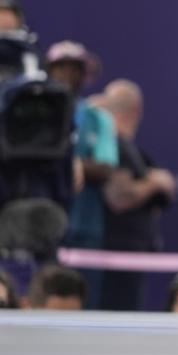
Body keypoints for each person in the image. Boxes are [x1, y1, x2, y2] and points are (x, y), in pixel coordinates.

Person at [49, 40, 116, 309]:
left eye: (74, 68)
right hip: (44, 225)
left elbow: (106, 166)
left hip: (85, 225)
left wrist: (74, 164)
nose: (67, 74)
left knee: (87, 298)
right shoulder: (32, 111)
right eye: (59, 68)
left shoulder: (98, 118)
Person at [99, 80, 175, 311]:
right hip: (117, 255)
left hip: (128, 253)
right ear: (137, 110)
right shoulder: (114, 144)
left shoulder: (124, 146)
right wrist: (155, 183)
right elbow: (119, 197)